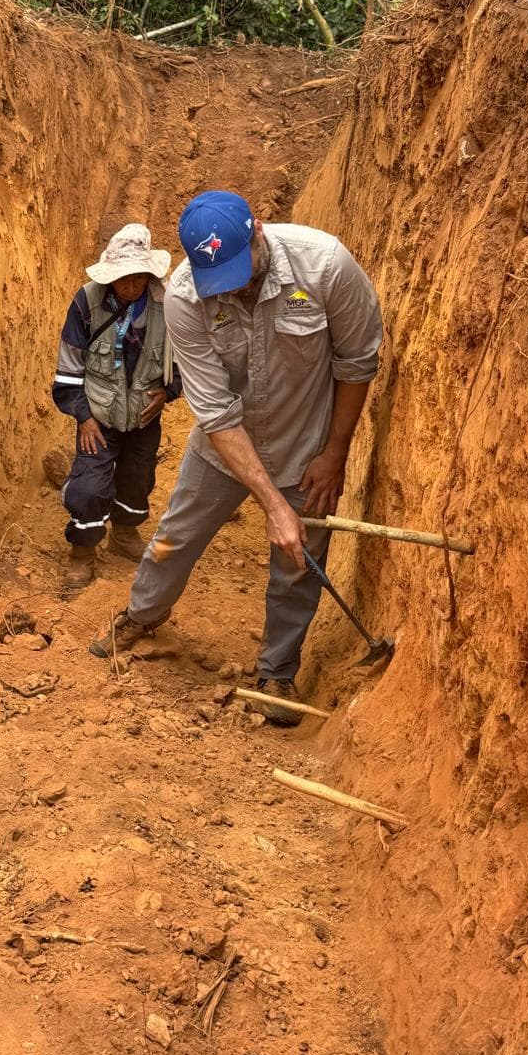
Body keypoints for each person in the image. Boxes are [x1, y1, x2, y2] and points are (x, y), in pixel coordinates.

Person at [89, 190, 382, 723]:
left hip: (307, 448)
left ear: (259, 234)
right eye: (216, 281)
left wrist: (334, 453)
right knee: (175, 535)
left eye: (236, 272)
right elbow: (216, 411)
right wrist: (273, 506)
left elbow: (358, 363)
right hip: (223, 448)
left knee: (298, 563)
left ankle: (278, 671)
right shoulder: (183, 297)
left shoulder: (326, 267)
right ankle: (143, 613)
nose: (231, 290)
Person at [52, 223, 184, 589]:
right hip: (98, 416)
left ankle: (124, 535)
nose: (130, 285)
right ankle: (82, 553)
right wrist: (83, 416)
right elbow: (69, 367)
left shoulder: (167, 303)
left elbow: (191, 355)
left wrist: (169, 391)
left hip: (144, 416)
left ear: (147, 274)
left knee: (137, 479)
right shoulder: (86, 303)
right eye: (123, 278)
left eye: (137, 277)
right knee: (89, 487)